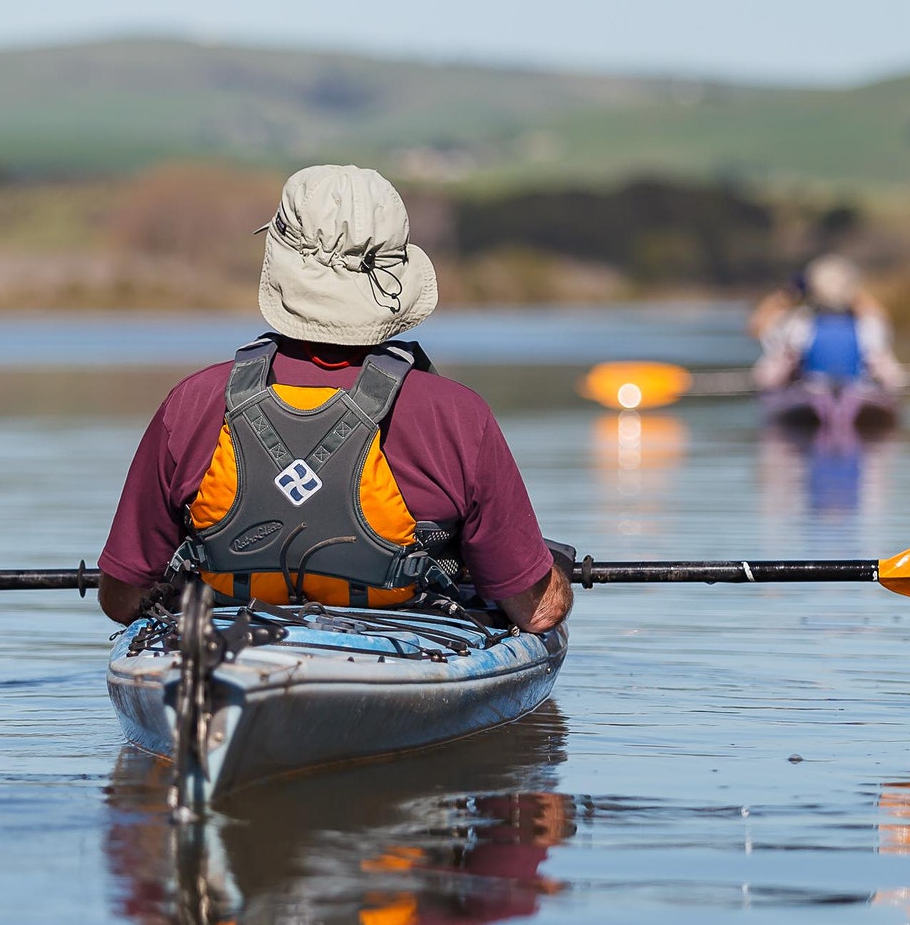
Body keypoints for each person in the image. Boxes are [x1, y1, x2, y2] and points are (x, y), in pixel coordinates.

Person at [96, 165, 571, 634]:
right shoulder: (456, 415)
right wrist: (556, 579)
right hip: (402, 662)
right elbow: (537, 612)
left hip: (229, 651)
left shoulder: (194, 402)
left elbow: (121, 597)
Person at [751, 254, 905, 391]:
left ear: (813, 290)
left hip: (812, 390)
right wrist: (852, 292)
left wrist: (788, 293)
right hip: (856, 390)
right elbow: (883, 322)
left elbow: (757, 327)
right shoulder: (869, 326)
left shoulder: (797, 324)